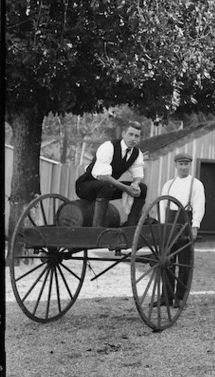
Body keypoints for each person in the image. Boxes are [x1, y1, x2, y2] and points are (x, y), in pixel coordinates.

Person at [153, 152, 206, 307]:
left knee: (184, 262)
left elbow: (199, 206)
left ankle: (180, 297)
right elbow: (162, 207)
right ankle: (166, 296)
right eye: (181, 164)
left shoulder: (196, 184)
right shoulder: (168, 184)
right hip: (169, 224)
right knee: (166, 261)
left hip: (185, 223)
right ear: (176, 165)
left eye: (187, 164)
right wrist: (162, 226)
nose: (184, 167)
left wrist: (195, 225)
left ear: (190, 165)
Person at [75, 120, 147, 227]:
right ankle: (98, 229)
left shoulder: (136, 154)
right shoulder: (109, 147)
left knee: (142, 188)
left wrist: (135, 184)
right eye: (130, 134)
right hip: (85, 186)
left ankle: (131, 226)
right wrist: (126, 188)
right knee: (106, 186)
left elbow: (138, 174)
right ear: (123, 134)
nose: (133, 138)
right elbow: (103, 176)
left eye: (136, 136)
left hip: (107, 187)